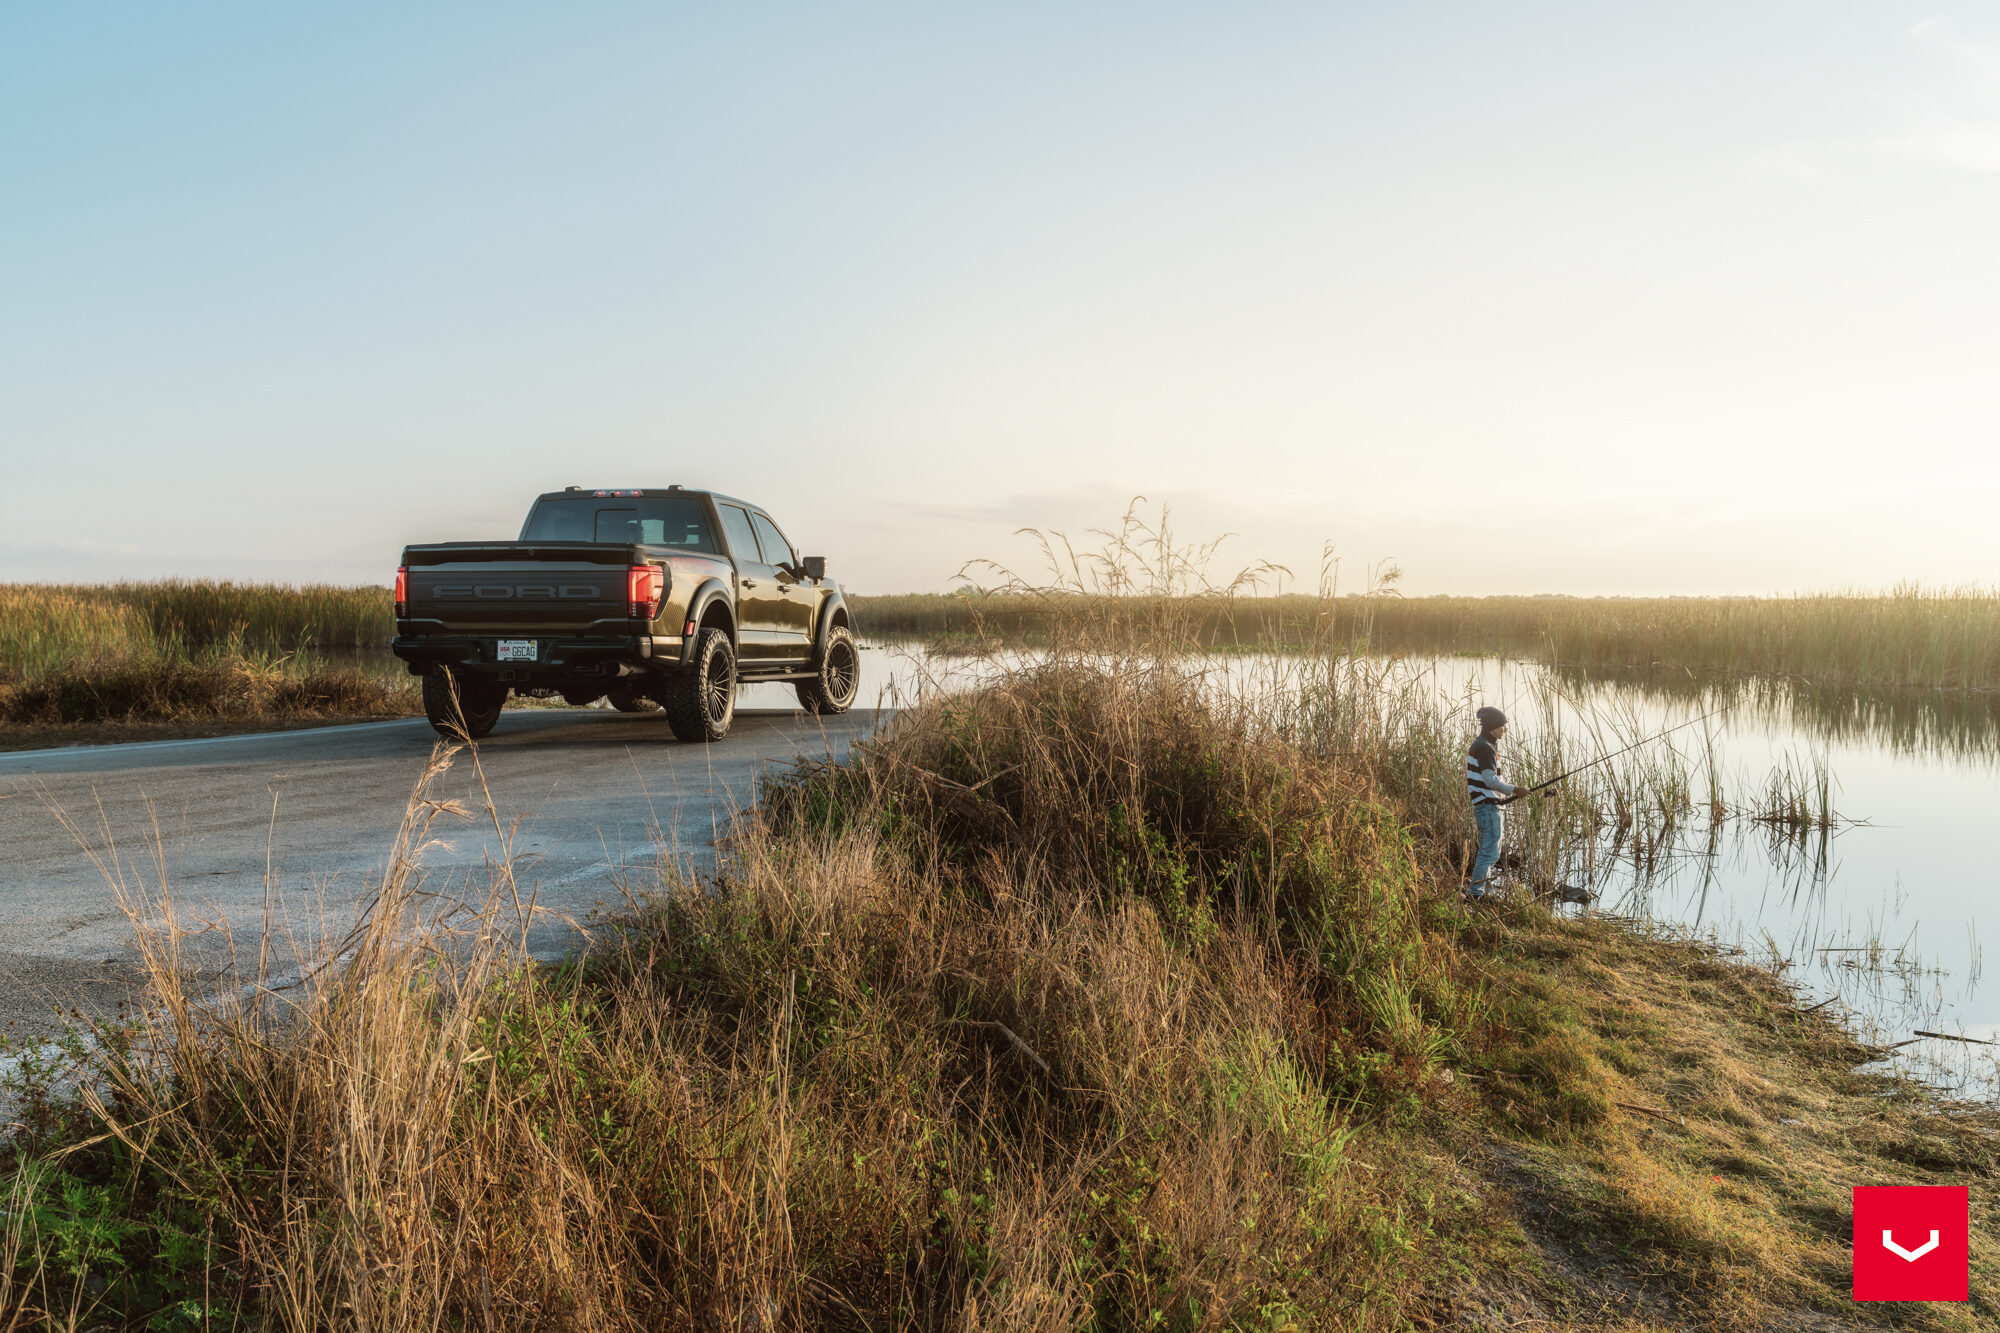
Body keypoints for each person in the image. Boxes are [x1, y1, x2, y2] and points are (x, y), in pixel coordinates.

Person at [1464, 706, 1525, 899]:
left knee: (1490, 852)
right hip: (1488, 807)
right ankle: (1476, 893)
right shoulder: (1484, 748)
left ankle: (1484, 890)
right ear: (1493, 727)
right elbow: (1490, 781)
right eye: (1502, 726)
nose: (1505, 729)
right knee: (1489, 853)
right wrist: (1515, 790)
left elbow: (1488, 782)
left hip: (1488, 806)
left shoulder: (1484, 745)